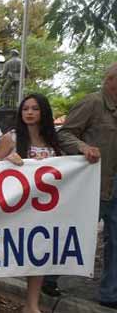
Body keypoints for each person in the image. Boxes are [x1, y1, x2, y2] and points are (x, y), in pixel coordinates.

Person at [0, 93, 63, 313]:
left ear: (44, 112)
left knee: (38, 253)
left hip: (42, 209)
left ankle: (31, 305)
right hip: (13, 208)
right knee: (0, 253)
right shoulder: (11, 137)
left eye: (35, 109)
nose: (29, 113)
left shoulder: (54, 139)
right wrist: (5, 161)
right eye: (25, 109)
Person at [57, 63, 117, 309]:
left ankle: (110, 294)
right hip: (94, 183)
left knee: (115, 241)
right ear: (111, 80)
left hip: (115, 185)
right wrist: (83, 148)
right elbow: (64, 134)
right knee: (70, 234)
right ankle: (48, 277)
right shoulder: (92, 103)